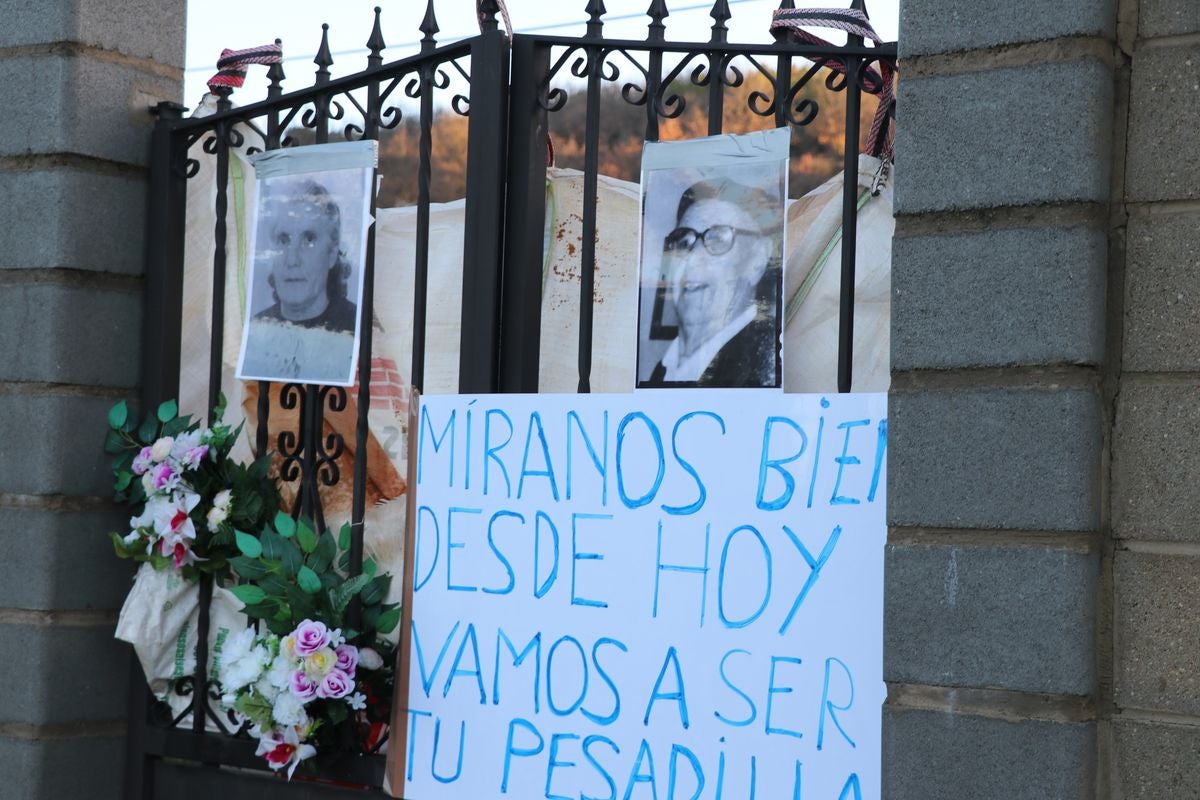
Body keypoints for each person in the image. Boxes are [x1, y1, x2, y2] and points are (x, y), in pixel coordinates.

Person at [642, 178, 783, 388]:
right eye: (683, 241)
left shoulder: (765, 367)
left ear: (757, 259)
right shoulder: (662, 369)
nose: (690, 259)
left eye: (717, 239)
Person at [254, 178, 358, 333]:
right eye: (283, 240)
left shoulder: (359, 329)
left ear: (332, 253)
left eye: (309, 239)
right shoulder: (254, 330)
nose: (292, 260)